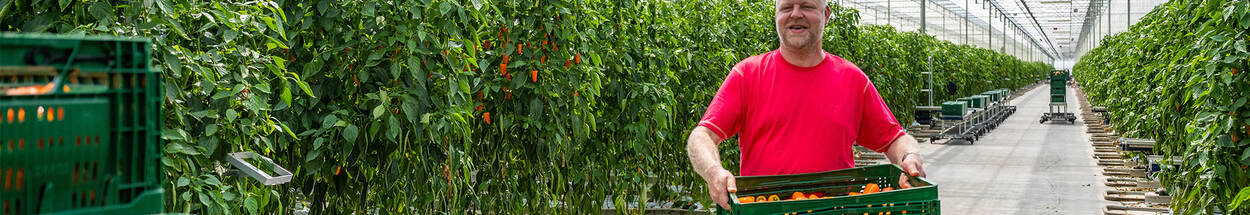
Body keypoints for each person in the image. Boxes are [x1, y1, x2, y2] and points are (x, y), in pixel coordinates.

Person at [684, 0, 927, 211]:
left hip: (836, 208)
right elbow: (702, 135)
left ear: (826, 14)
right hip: (764, 208)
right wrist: (713, 172)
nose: (796, 14)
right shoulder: (748, 75)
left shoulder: (852, 80)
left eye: (807, 6)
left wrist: (910, 156)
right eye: (786, 7)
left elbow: (894, 138)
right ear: (777, 16)